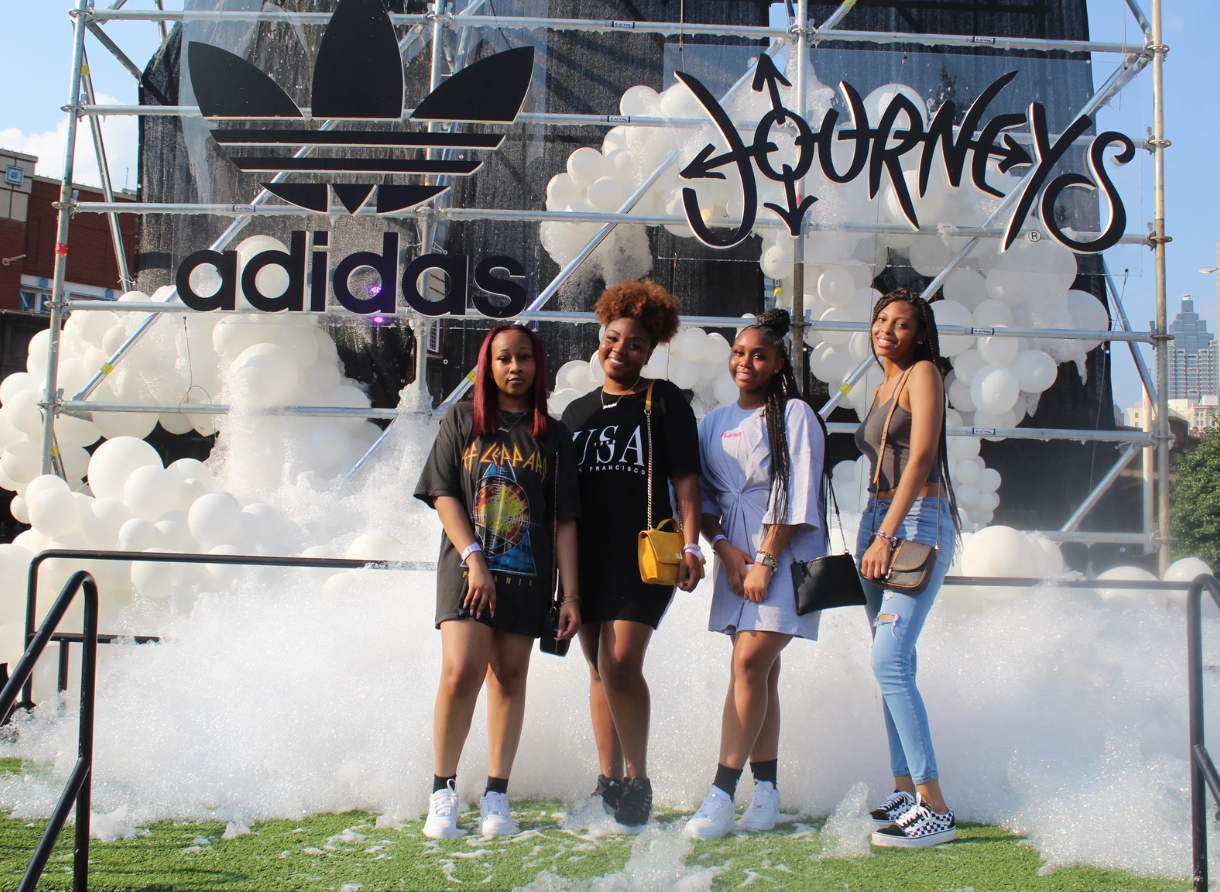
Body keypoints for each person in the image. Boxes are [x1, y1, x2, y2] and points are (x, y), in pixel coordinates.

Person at [414, 324, 581, 839]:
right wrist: (474, 560)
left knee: (509, 679)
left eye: (524, 358)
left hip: (529, 577)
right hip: (469, 574)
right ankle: (442, 792)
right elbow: (443, 493)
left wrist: (570, 594)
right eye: (504, 358)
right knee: (461, 670)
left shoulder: (553, 435)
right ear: (488, 365)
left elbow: (563, 520)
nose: (515, 368)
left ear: (538, 365)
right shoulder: (463, 419)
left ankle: (496, 796)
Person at [561, 278, 704, 829]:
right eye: (613, 338)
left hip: (644, 555)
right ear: (601, 338)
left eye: (635, 343)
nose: (620, 350)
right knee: (597, 668)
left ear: (651, 350)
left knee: (621, 663)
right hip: (587, 557)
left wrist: (692, 544)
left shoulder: (664, 401)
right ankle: (608, 781)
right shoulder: (574, 414)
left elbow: (687, 483)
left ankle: (639, 781)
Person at [684, 309, 827, 840]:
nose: (747, 362)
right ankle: (766, 793)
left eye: (759, 354)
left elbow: (797, 491)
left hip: (780, 555)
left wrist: (765, 560)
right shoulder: (713, 422)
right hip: (734, 558)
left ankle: (721, 793)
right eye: (740, 353)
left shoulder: (792, 414)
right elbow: (701, 496)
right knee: (760, 674)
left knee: (749, 664)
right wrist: (722, 550)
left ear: (778, 362)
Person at [854, 289, 961, 848]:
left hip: (915, 520)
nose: (887, 330)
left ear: (920, 334)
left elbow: (920, 457)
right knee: (895, 661)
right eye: (880, 320)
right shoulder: (881, 385)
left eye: (901, 324)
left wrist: (889, 533)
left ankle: (934, 804)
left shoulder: (924, 373)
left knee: (889, 657)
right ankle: (903, 788)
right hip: (878, 518)